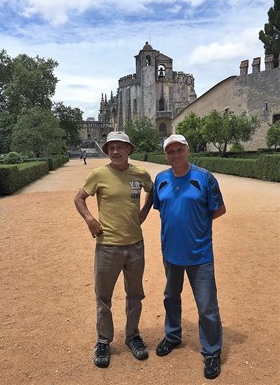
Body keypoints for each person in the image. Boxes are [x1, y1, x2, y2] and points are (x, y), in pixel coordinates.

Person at [74, 131, 153, 368]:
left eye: (120, 147)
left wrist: (143, 213)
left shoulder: (140, 174)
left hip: (135, 245)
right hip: (107, 246)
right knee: (103, 296)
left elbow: (152, 192)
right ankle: (103, 340)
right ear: (107, 151)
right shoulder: (99, 174)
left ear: (129, 150)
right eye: (111, 148)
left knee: (135, 294)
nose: (115, 151)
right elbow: (79, 198)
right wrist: (90, 219)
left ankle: (132, 336)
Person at [153, 134, 226, 380]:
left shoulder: (204, 177)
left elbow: (219, 209)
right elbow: (160, 207)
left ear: (188, 150)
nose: (175, 155)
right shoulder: (161, 179)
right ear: (166, 155)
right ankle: (173, 336)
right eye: (170, 151)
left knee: (206, 306)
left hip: (200, 253)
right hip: (171, 252)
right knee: (171, 297)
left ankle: (212, 351)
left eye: (179, 150)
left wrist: (198, 226)